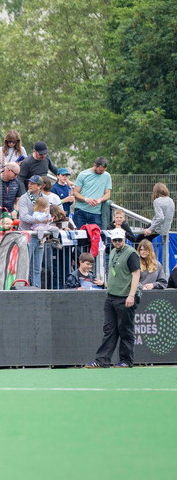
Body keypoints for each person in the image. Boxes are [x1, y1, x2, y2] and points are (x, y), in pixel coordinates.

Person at [87, 228, 140, 368]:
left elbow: (136, 274)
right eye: (114, 240)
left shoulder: (131, 254)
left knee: (125, 329)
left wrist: (131, 295)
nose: (117, 242)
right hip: (111, 296)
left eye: (119, 240)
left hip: (124, 296)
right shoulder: (112, 252)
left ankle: (126, 360)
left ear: (124, 239)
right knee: (109, 329)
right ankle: (102, 360)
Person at [71, 157, 112, 229]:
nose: (102, 172)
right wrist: (86, 199)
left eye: (104, 171)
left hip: (96, 212)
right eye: (100, 170)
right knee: (81, 237)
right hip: (81, 211)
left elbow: (108, 194)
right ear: (95, 165)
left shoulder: (107, 176)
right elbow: (75, 192)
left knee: (95, 238)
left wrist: (100, 200)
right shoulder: (83, 174)